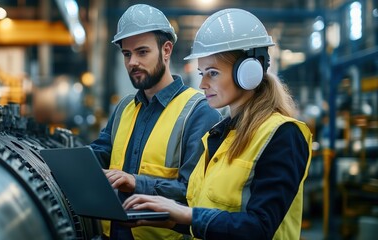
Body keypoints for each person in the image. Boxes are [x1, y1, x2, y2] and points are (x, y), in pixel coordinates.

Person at [123, 8, 313, 240]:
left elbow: (260, 227)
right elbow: (208, 214)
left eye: (212, 73)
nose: (202, 84)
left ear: (248, 72)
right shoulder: (219, 137)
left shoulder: (282, 136)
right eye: (202, 72)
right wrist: (170, 217)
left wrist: (187, 215)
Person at [89, 4, 222, 240]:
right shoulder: (124, 108)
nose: (132, 62)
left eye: (142, 52)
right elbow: (100, 152)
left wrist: (135, 183)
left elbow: (195, 192)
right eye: (127, 54)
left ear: (166, 50)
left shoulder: (199, 112)